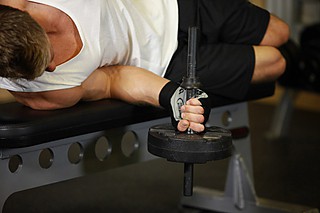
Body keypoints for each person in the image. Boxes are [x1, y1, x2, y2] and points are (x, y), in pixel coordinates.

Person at [0, 0, 289, 132]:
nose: (53, 67)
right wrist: (174, 97)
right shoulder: (45, 92)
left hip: (171, 6)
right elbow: (114, 79)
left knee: (279, 33)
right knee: (275, 62)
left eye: (46, 53)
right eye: (41, 70)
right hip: (162, 64)